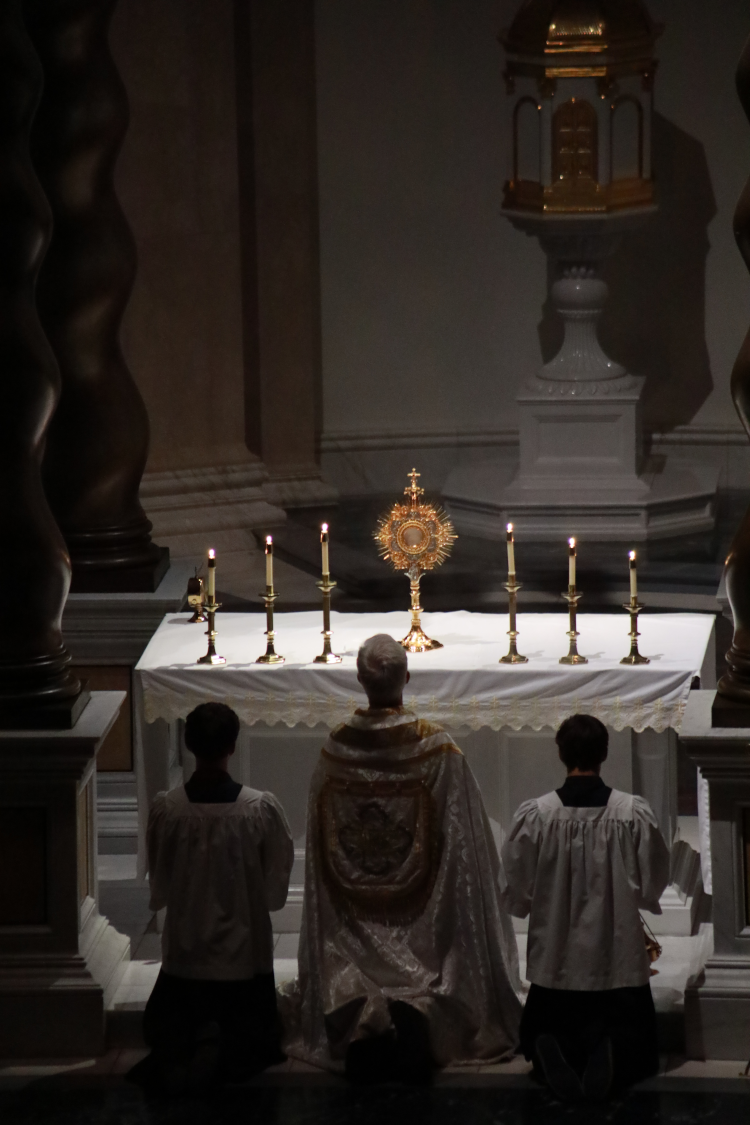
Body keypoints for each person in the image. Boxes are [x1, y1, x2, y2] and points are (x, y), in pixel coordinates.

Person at [281, 633, 522, 1082]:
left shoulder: (335, 751)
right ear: (407, 678)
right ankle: (416, 1014)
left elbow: (322, 848)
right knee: (425, 983)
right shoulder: (438, 751)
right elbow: (465, 848)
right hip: (423, 930)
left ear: (359, 679)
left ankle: (364, 1017)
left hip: (352, 928)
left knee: (355, 982)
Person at [501, 714, 670, 1102]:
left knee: (552, 1010)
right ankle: (609, 1051)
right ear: (605, 754)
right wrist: (643, 895)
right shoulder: (631, 813)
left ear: (561, 755)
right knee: (632, 1044)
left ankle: (554, 1049)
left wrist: (525, 901)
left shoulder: (538, 815)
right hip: (616, 953)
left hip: (557, 957)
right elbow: (654, 874)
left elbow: (517, 875)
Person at [129, 702, 294, 1093]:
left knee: (171, 1029)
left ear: (188, 745)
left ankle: (196, 1036)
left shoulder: (168, 810)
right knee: (250, 1037)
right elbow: (276, 878)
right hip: (242, 960)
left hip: (187, 957)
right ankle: (225, 1040)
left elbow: (161, 883)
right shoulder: (258, 809)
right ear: (233, 747)